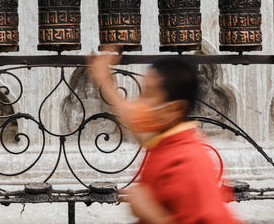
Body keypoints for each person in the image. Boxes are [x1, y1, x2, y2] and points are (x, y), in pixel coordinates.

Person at [87, 53, 242, 224]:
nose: (139, 103)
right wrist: (103, 79)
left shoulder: (189, 162)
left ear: (173, 109)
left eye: (148, 94)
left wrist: (151, 213)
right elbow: (131, 117)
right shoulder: (165, 140)